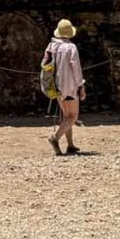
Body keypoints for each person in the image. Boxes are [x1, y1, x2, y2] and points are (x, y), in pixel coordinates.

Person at [46, 19, 85, 155]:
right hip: (69, 86)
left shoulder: (52, 46)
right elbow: (76, 68)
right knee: (73, 117)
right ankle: (55, 138)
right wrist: (81, 85)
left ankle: (70, 145)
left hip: (56, 85)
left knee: (66, 116)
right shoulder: (70, 47)